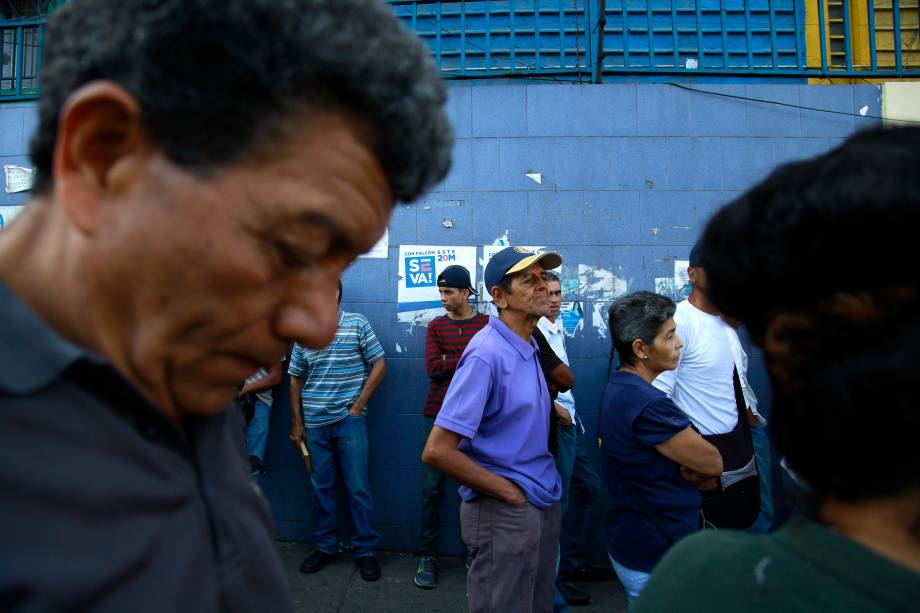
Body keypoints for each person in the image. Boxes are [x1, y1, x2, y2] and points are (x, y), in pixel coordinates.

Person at [0, 0, 452, 609]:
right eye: (290, 248)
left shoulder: (182, 379)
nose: (317, 327)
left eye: (335, 267)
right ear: (102, 156)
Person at [634, 127, 920, 612]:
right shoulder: (708, 581)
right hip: (711, 451)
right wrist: (694, 451)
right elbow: (662, 393)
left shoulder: (701, 580)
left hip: (746, 443)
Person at [422, 246, 564, 613]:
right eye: (527, 280)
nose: (543, 287)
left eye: (543, 277)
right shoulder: (486, 353)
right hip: (506, 510)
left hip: (541, 498)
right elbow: (437, 450)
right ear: (499, 297)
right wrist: (510, 494)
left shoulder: (529, 343)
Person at [600, 291, 723, 603]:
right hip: (657, 550)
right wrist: (693, 468)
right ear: (641, 348)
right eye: (669, 336)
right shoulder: (648, 404)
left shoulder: (621, 388)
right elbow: (712, 463)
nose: (679, 343)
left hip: (634, 539)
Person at [653, 248, 760, 530]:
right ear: (692, 274)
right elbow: (656, 397)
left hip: (739, 448)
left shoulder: (726, 324)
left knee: (742, 527)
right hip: (703, 456)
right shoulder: (680, 321)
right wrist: (687, 453)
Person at [289, 282, 386, 581]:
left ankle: (366, 551)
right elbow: (294, 378)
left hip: (349, 422)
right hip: (315, 425)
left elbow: (380, 363)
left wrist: (358, 407)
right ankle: (325, 547)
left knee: (358, 488)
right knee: (322, 489)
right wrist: (297, 423)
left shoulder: (357, 323)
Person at [415, 265, 488, 589]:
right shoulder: (435, 326)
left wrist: (453, 358)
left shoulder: (487, 325)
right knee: (432, 490)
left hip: (479, 418)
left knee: (475, 490)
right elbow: (433, 367)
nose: (443, 298)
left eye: (449, 292)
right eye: (441, 292)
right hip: (439, 416)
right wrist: (470, 359)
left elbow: (491, 364)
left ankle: (477, 554)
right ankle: (427, 557)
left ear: (466, 293)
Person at [535, 272, 605, 607]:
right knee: (557, 506)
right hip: (559, 424)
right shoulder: (534, 332)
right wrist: (555, 410)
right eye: (546, 292)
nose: (553, 298)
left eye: (558, 292)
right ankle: (555, 583)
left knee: (590, 488)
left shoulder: (556, 326)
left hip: (572, 424)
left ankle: (574, 564)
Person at [239, 357, 285, 477]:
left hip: (257, 402)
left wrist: (243, 389)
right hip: (224, 404)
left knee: (252, 467)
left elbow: (276, 376)